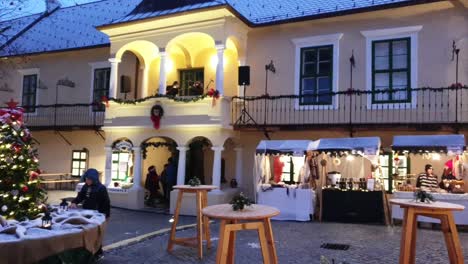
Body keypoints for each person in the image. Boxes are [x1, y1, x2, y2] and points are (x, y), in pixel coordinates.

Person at [70, 168, 110, 260]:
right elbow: (80, 196)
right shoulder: (85, 186)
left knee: (96, 234)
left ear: (94, 179)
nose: (87, 181)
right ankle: (86, 252)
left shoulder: (101, 188)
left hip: (98, 215)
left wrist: (106, 216)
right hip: (86, 212)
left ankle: (98, 253)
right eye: (86, 179)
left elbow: (106, 203)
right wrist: (74, 202)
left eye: (89, 179)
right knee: (87, 234)